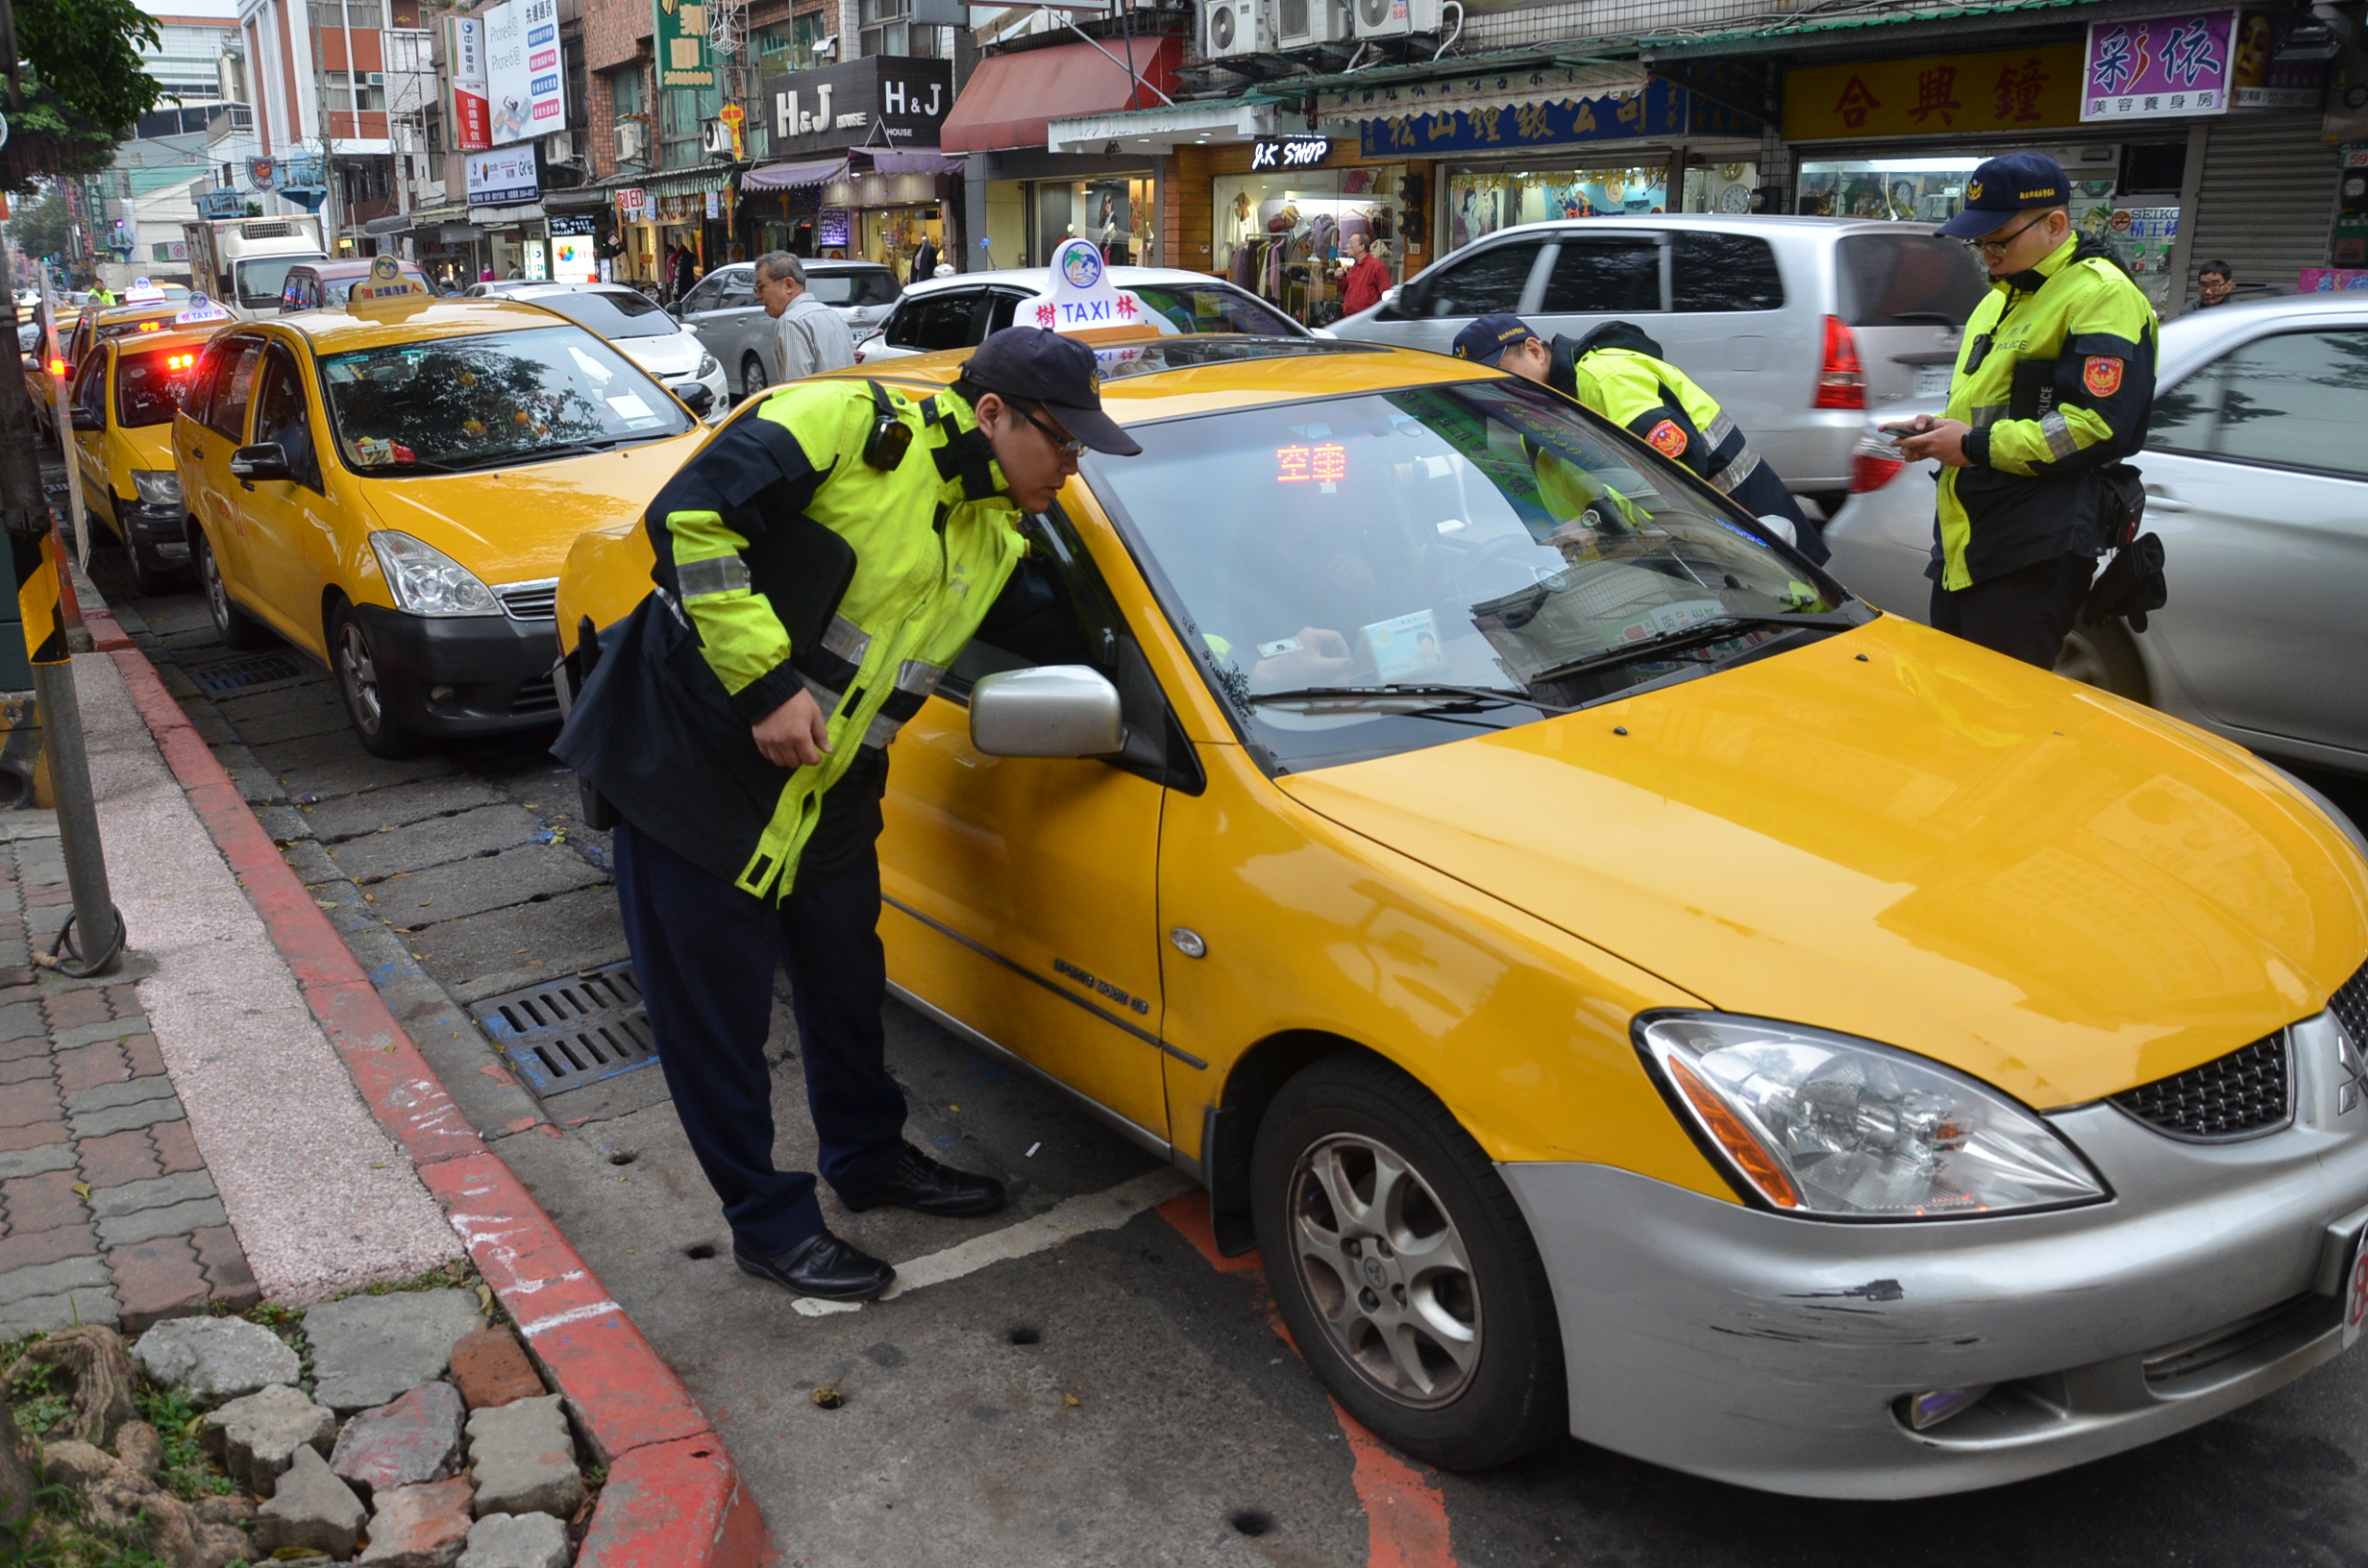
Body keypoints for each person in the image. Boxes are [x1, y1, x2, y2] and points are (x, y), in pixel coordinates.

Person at [554, 329, 1143, 1302]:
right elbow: (686, 519)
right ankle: (769, 1223)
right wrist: (764, 685)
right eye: (1065, 443)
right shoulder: (840, 422)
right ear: (992, 414)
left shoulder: (992, 538)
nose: (1073, 467)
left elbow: (1098, 641)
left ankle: (868, 1161)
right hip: (691, 771)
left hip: (824, 797)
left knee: (844, 988)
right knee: (718, 1024)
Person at [1887, 153, 2157, 669]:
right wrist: (1941, 430)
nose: (1986, 253)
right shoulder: (1999, 296)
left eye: (1997, 240)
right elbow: (1989, 406)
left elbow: (2094, 427)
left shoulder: (2101, 295)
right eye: (1978, 242)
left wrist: (1970, 445)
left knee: (2000, 720)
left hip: (2035, 548)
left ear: (2055, 224)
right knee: (1954, 703)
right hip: (1969, 540)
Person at [1451, 311, 1824, 562]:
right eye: (1486, 385)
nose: (1499, 390)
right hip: (1685, 558)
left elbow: (1671, 471)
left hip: (1758, 542)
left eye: (1502, 375)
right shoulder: (1541, 415)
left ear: (1534, 350)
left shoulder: (1605, 379)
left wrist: (1593, 524)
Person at [754, 251, 855, 383]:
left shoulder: (791, 322)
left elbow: (796, 389)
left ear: (788, 285)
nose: (758, 296)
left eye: (760, 287)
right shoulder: (833, 315)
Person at [1339, 232, 1391, 317]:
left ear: (1361, 247)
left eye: (1351, 243)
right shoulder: (1354, 267)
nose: (1347, 246)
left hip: (1367, 319)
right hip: (1351, 318)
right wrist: (1340, 279)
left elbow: (1386, 294)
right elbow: (1348, 292)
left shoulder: (1376, 266)